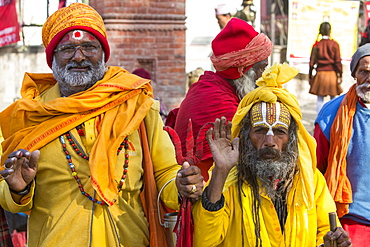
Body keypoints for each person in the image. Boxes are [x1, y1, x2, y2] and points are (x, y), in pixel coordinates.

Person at [0, 3, 203, 247]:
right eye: (67, 49)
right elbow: (7, 191)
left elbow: (164, 172)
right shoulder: (29, 114)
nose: (79, 56)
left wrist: (180, 185)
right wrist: (18, 190)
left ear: (104, 54)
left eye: (89, 47)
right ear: (51, 58)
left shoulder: (136, 104)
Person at [192, 63, 352, 247]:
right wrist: (220, 171)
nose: (269, 141)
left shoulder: (311, 180)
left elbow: (324, 232)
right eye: (259, 131)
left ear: (291, 138)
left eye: (279, 131)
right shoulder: (226, 181)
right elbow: (204, 240)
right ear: (245, 136)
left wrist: (331, 243)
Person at [166, 18, 272, 181]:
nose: (265, 76)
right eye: (262, 68)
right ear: (244, 71)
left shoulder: (209, 85)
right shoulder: (221, 102)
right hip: (203, 190)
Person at [314, 43, 370, 245]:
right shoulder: (331, 114)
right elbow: (316, 169)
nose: (369, 79)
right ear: (355, 74)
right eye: (364, 71)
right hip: (346, 222)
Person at [308, 22, 343, 113]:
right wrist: (340, 74)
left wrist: (310, 76)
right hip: (332, 74)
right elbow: (338, 61)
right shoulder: (334, 44)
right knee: (333, 98)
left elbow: (311, 62)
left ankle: (318, 119)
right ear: (330, 31)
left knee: (320, 98)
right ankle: (332, 118)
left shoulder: (317, 45)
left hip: (320, 73)